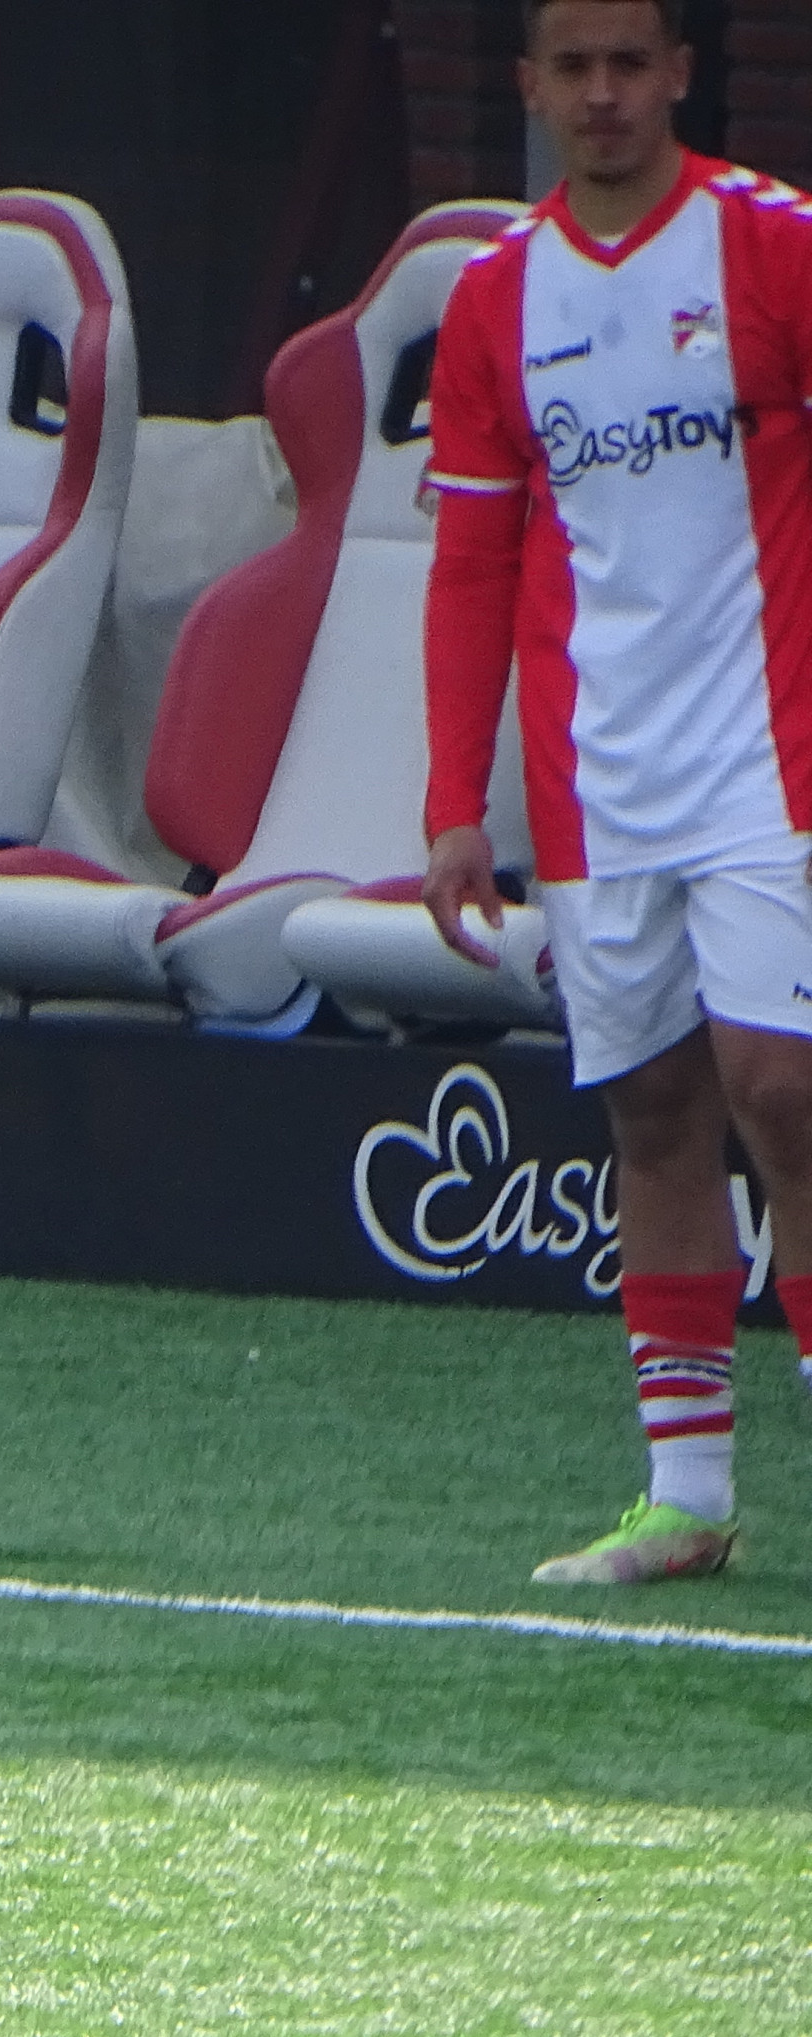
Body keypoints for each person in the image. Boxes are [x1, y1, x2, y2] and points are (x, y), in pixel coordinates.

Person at [423, 0, 812, 1583]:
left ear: (679, 76)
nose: (602, 95)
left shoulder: (776, 247)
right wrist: (455, 799)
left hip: (773, 760)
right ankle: (688, 1498)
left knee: (783, 1090)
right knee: (654, 1111)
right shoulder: (494, 297)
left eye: (629, 63)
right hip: (596, 786)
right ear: (529, 86)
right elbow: (472, 558)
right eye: (572, 67)